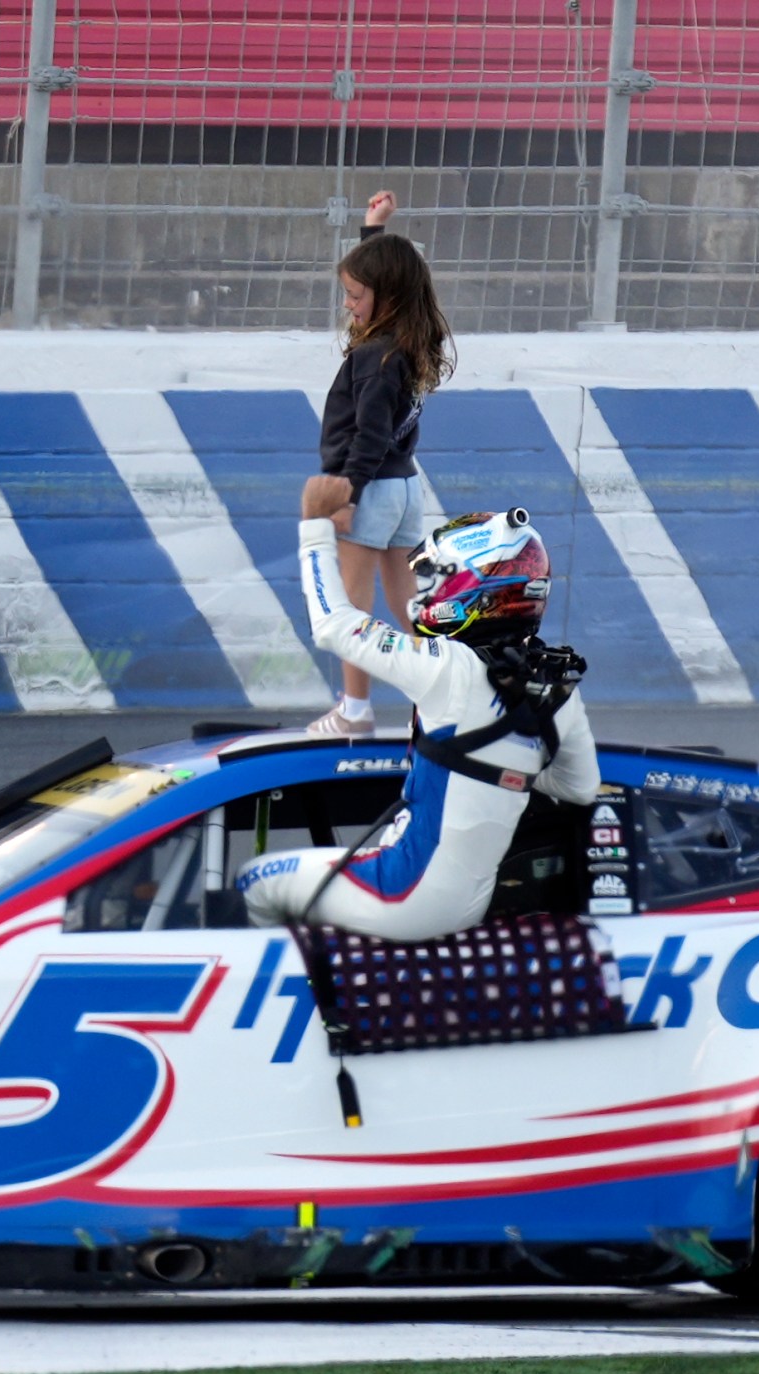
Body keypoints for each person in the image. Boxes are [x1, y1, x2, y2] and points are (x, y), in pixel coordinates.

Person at [237, 476, 598, 941]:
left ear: (478, 589)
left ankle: (276, 1000)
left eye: (437, 578)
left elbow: (332, 626)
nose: (423, 593)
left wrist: (315, 525)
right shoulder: (557, 687)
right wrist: (507, 762)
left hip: (403, 892)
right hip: (469, 905)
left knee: (258, 880)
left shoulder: (446, 667)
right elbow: (581, 787)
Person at [305, 189, 455, 737]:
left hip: (371, 488)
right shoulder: (411, 340)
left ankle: (355, 710)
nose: (348, 304)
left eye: (354, 295)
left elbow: (368, 435)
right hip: (404, 489)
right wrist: (373, 232)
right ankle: (444, 690)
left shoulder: (373, 358)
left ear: (384, 297)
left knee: (350, 606)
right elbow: (389, 278)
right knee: (411, 604)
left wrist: (345, 494)